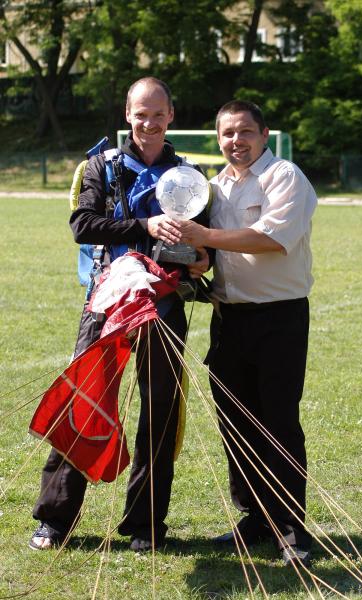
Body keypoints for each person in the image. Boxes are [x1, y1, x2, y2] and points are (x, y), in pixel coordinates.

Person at [29, 77, 210, 553]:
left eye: (158, 114)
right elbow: (82, 225)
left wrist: (201, 259)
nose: (149, 123)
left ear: (172, 116)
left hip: (165, 306)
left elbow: (204, 242)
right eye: (140, 113)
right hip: (108, 304)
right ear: (127, 115)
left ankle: (146, 526)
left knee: (161, 416)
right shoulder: (100, 167)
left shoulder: (190, 174)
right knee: (84, 404)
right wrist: (143, 225)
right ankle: (55, 519)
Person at [178, 100, 317, 567]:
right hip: (229, 320)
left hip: (279, 318)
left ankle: (290, 528)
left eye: (245, 133)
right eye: (227, 134)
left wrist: (204, 238)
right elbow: (213, 255)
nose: (236, 142)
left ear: (265, 133)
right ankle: (254, 519)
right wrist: (198, 261)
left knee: (278, 422)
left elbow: (271, 237)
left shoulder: (285, 177)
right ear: (217, 138)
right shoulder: (213, 189)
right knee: (236, 426)